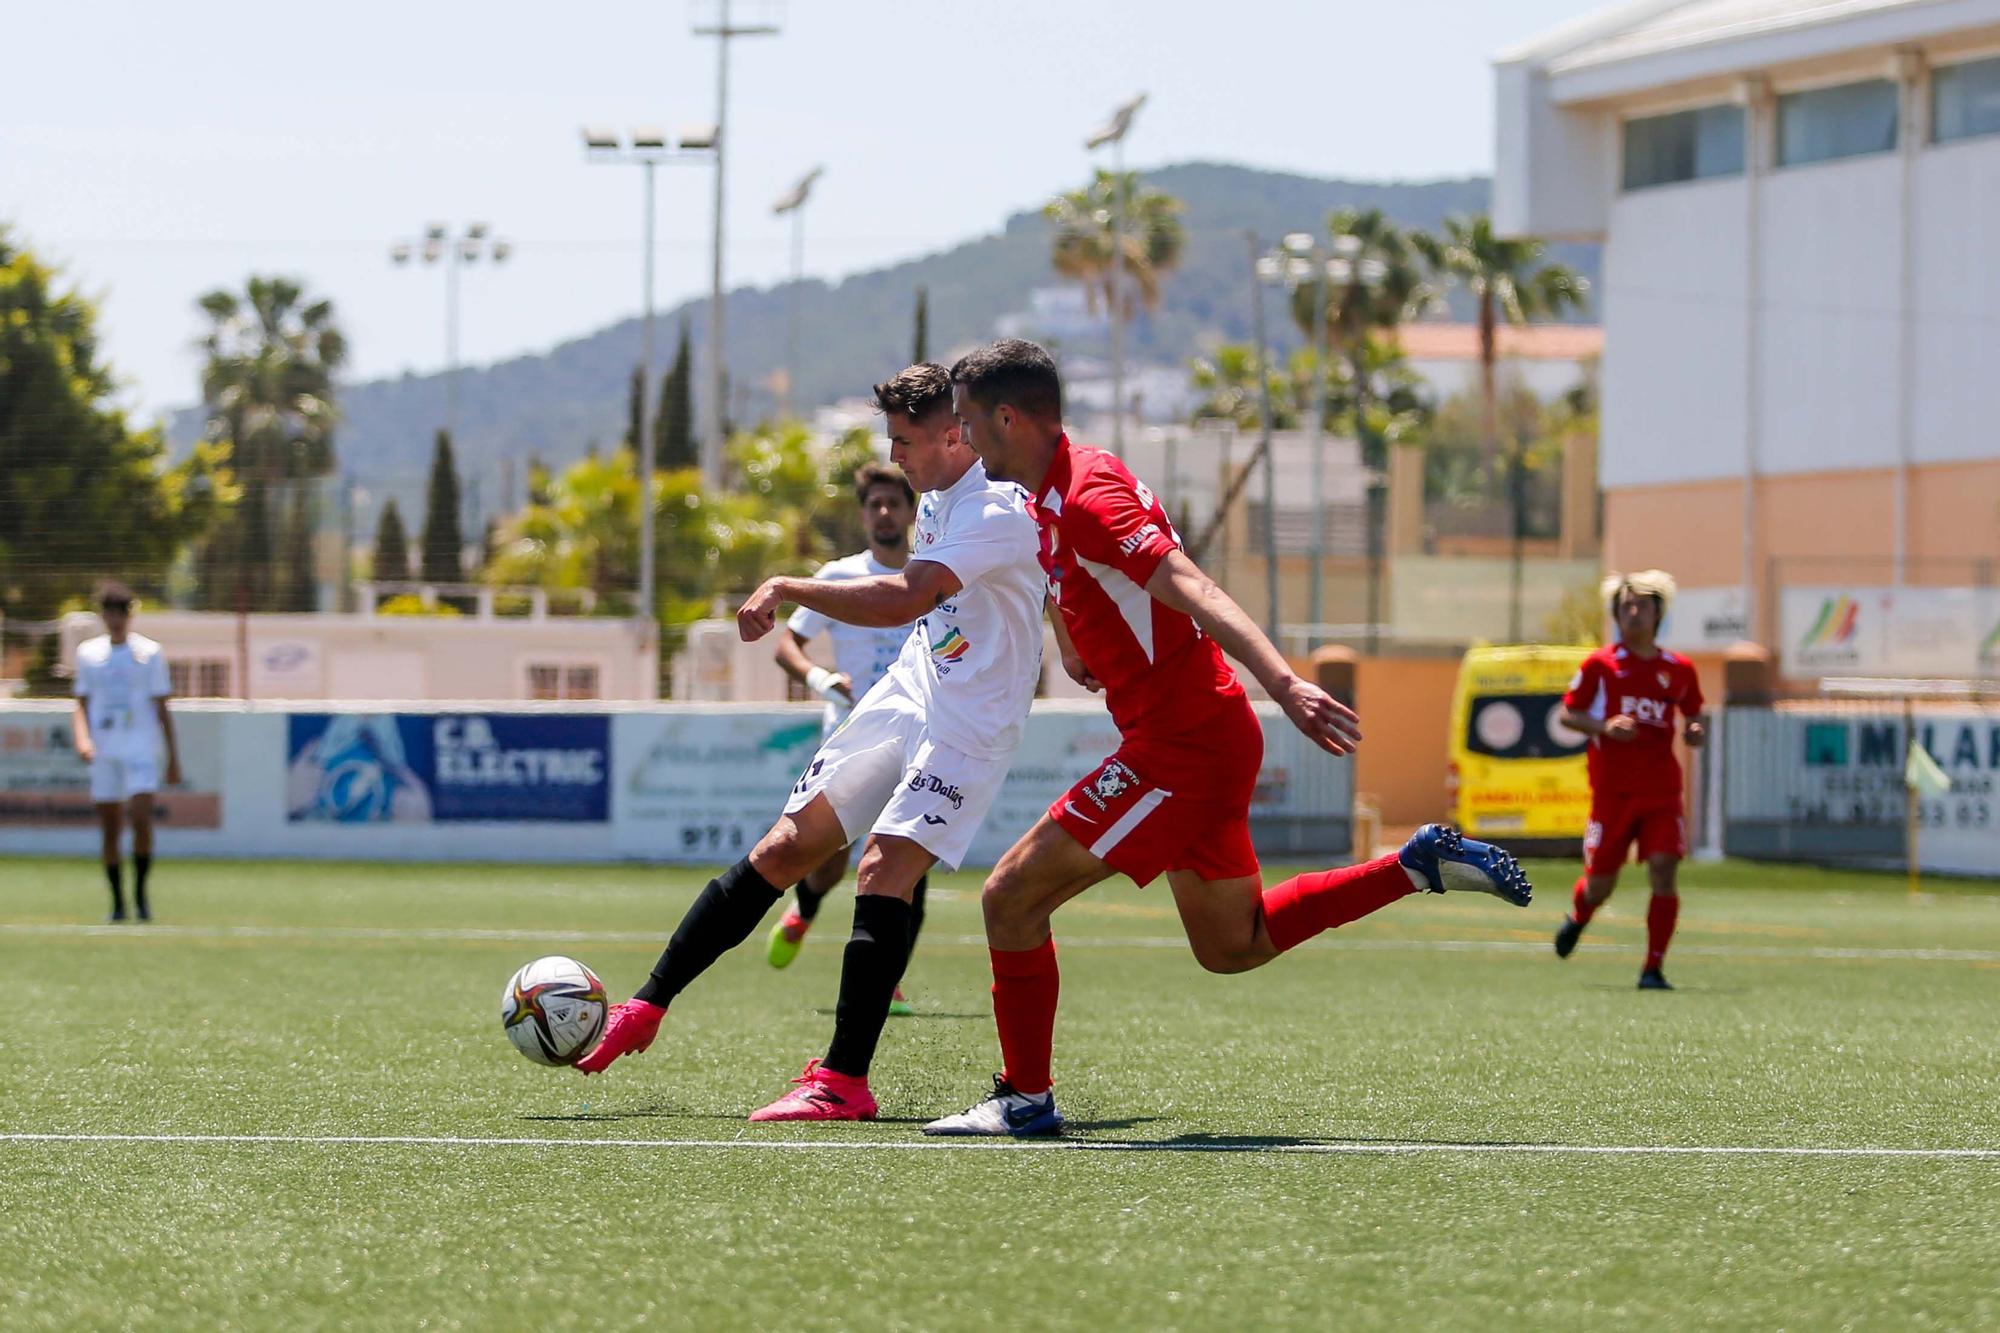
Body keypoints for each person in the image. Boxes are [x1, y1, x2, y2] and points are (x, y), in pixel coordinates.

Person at [924, 340, 1534, 1138]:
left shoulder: (1087, 498)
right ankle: (1415, 865)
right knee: (1232, 943)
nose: (963, 439)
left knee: (1010, 896)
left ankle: (1025, 1098)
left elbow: (1192, 585)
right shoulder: (1056, 488)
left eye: (969, 423)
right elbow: (1073, 575)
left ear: (1008, 418)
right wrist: (1075, 642)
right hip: (1197, 737)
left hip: (1178, 748)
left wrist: (1284, 682)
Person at [576, 363, 1048, 1123]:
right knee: (784, 849)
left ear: (957, 432)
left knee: (884, 865)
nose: (896, 456)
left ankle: (842, 1080)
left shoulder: (994, 507)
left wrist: (789, 586)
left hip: (973, 720)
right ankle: (646, 1003)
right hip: (911, 692)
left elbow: (905, 597)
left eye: (906, 440)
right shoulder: (936, 500)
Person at [767, 462, 926, 1016]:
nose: (884, 513)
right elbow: (787, 644)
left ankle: (887, 979)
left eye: (894, 504)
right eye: (874, 504)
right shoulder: (840, 576)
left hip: (922, 741)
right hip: (853, 738)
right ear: (863, 514)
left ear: (911, 510)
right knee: (827, 859)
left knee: (907, 860)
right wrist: (822, 679)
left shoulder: (933, 575)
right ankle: (806, 909)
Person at [1552, 571, 1706, 989]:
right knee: (1600, 885)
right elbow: (1568, 713)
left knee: (1663, 869)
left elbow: (1694, 714)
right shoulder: (1600, 666)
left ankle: (1653, 968)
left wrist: (1695, 731)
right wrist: (1603, 727)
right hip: (1613, 794)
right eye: (1625, 607)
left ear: (1659, 612)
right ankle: (1580, 916)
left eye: (1641, 605)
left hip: (1662, 792)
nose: (1632, 613)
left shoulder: (1679, 669)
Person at [71, 582, 181, 922]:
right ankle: (118, 903)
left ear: (130, 615)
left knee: (142, 819)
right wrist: (83, 739)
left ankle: (141, 896)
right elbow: (81, 703)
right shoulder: (89, 654)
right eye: (109, 612)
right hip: (105, 750)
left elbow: (162, 706)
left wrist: (174, 756)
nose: (115, 619)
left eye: (121, 612)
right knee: (109, 827)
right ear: (102, 615)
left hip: (140, 748)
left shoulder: (149, 653)